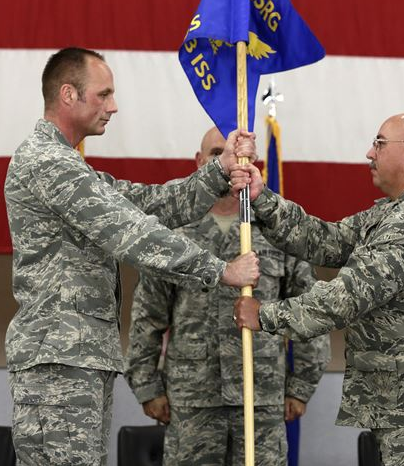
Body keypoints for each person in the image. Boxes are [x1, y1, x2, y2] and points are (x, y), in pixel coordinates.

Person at [4, 47, 260, 466]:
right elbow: (130, 232)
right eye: (103, 94)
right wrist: (220, 270)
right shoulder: (47, 162)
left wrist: (218, 171)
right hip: (59, 359)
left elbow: (147, 204)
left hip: (77, 355)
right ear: (68, 95)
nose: (113, 106)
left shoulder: (70, 166)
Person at [233, 113, 404, 466]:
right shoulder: (394, 213)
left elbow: (348, 295)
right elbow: (327, 240)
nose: (370, 152)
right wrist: (263, 200)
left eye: (379, 143)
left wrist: (266, 316)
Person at [125, 127, 330, 466]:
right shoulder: (174, 234)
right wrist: (148, 387)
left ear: (253, 163)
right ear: (200, 162)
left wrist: (300, 386)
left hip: (261, 400)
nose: (232, 161)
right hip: (191, 402)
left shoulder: (277, 229)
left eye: (241, 154)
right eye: (218, 152)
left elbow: (309, 311)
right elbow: (147, 316)